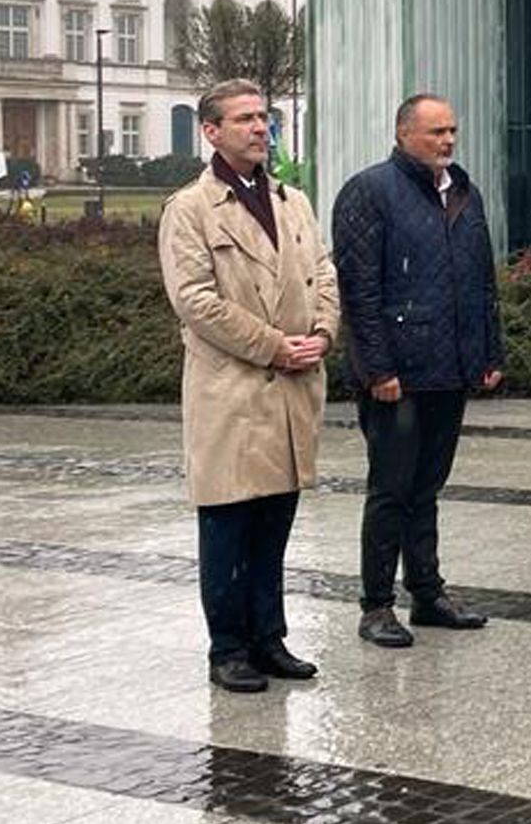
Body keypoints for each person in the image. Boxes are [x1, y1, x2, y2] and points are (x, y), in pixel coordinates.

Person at [158, 79, 340, 692]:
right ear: (211, 132)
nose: (261, 128)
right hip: (232, 392)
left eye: (263, 117)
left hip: (291, 390)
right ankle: (228, 648)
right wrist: (272, 345)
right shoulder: (190, 209)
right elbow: (195, 300)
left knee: (273, 524)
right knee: (228, 526)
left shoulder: (293, 201)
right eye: (245, 119)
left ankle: (269, 638)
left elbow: (324, 272)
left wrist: (323, 333)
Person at [332, 93, 505, 648]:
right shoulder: (370, 191)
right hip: (396, 377)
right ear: (404, 134)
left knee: (427, 487)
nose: (447, 141)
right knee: (390, 490)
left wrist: (489, 353)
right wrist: (376, 369)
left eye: (452, 131)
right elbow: (359, 290)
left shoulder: (464, 192)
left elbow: (482, 282)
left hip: (448, 369)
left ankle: (428, 595)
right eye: (436, 132)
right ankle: (377, 606)